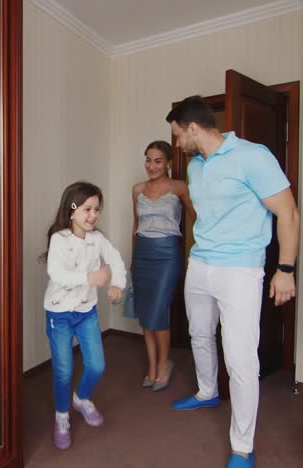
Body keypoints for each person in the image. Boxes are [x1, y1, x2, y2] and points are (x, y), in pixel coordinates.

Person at [166, 95, 299, 468]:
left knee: (241, 359)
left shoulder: (253, 156)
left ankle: (242, 446)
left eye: (178, 135)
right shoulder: (195, 166)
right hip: (201, 263)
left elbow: (288, 212)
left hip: (241, 268)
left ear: (193, 128)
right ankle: (207, 390)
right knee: (200, 334)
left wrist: (285, 269)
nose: (177, 144)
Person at [42, 181, 126, 450]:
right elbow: (57, 274)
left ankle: (81, 398)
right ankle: (62, 416)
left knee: (97, 365)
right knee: (64, 371)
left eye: (97, 209)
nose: (93, 215)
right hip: (60, 314)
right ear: (72, 211)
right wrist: (90, 276)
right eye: (87, 209)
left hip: (86, 311)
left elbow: (115, 260)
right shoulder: (59, 239)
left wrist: (117, 284)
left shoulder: (97, 239)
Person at [131, 140, 195, 391]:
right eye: (148, 160)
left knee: (158, 310)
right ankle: (152, 365)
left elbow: (196, 219)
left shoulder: (180, 188)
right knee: (146, 314)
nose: (151, 165)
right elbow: (135, 227)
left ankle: (164, 363)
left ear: (168, 162)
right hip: (143, 254)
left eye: (158, 160)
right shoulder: (137, 189)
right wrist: (132, 259)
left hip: (168, 254)